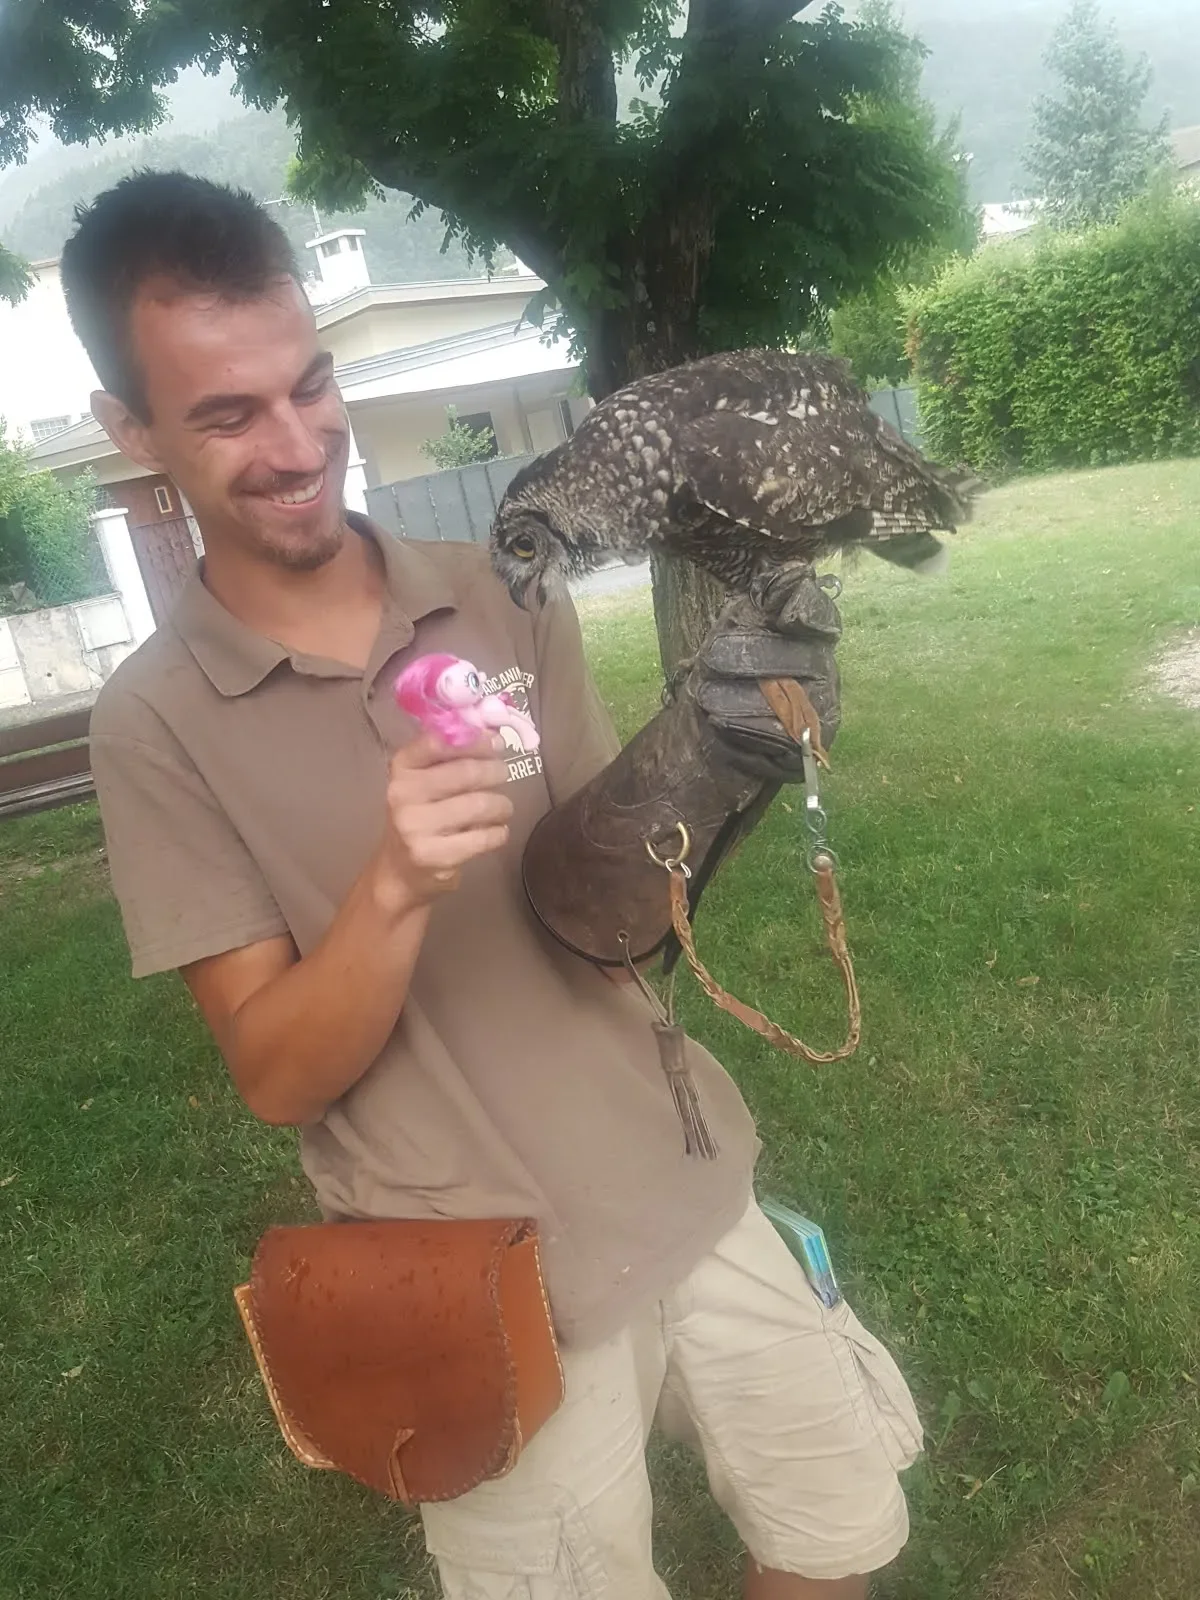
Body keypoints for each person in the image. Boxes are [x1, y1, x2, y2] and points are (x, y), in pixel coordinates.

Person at [67, 171, 923, 1600]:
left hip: (683, 1174)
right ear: (131, 432)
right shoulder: (154, 721)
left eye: (311, 386)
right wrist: (393, 885)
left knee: (837, 1533)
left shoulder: (498, 585)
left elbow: (604, 929)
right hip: (474, 1266)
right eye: (226, 415)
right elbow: (278, 1074)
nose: (295, 444)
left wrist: (708, 768)